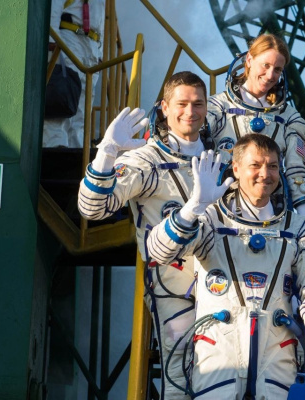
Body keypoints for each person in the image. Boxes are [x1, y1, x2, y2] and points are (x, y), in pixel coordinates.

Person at [146, 134, 305, 399]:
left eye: (272, 166)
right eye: (256, 165)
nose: (265, 174)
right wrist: (192, 208)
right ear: (236, 169)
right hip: (217, 359)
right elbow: (159, 252)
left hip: (276, 362)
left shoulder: (298, 228)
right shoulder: (211, 219)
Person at [78, 71, 214, 399]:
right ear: (164, 107)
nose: (190, 111)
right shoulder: (146, 160)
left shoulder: (220, 159)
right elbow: (92, 208)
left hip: (223, 282)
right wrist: (107, 151)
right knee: (181, 371)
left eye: (198, 104)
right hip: (175, 288)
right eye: (182, 103)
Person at [207, 33, 305, 218]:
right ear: (249, 60)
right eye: (265, 65)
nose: (270, 75)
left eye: (277, 69)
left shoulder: (289, 117)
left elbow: (296, 167)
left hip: (271, 211)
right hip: (220, 210)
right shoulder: (217, 107)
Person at [43, 0, 105, 148]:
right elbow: (55, 4)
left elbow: (100, 19)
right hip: (70, 37)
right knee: (63, 94)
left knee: (83, 102)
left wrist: (99, 52)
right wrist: (52, 38)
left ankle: (76, 148)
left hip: (91, 44)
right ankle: (55, 145)